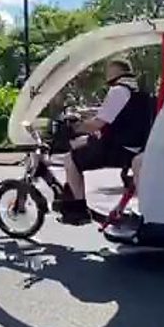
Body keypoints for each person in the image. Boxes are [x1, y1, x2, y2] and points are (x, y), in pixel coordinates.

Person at [59, 58, 154, 225]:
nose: (106, 75)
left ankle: (78, 210)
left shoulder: (118, 90)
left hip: (118, 148)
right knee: (80, 143)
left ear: (115, 72)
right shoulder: (137, 92)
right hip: (133, 146)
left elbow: (97, 124)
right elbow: (110, 115)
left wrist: (74, 127)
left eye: (108, 71)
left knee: (70, 159)